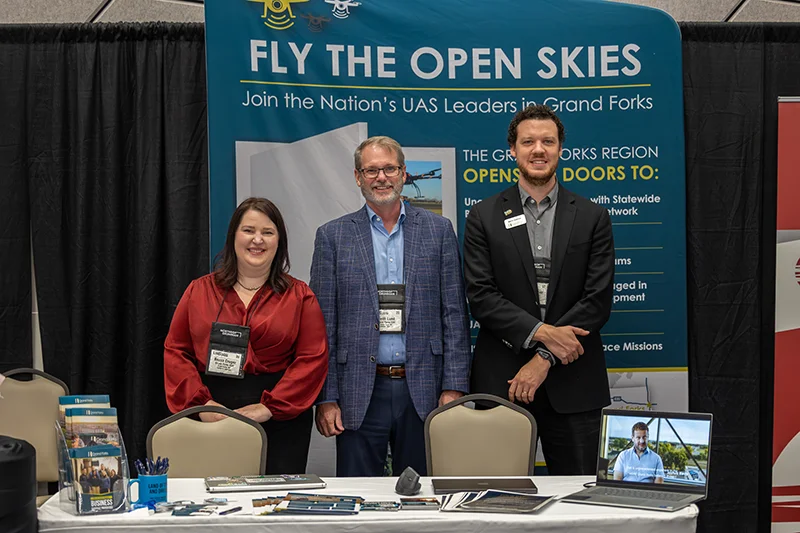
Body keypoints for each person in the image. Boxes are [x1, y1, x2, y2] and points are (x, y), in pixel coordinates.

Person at [464, 104, 615, 475]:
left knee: (579, 501)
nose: (538, 150)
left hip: (575, 384)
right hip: (503, 382)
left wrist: (542, 358)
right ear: (512, 151)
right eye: (528, 141)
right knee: (496, 499)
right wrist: (544, 334)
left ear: (561, 149)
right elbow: (481, 296)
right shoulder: (482, 216)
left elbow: (596, 301)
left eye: (548, 141)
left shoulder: (593, 217)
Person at [310, 136, 471, 477]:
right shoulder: (333, 236)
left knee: (421, 500)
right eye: (371, 170)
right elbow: (322, 326)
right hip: (358, 391)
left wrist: (453, 387)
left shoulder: (439, 231)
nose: (381, 177)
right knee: (358, 496)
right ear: (358, 177)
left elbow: (454, 314)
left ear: (403, 173)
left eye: (389, 169)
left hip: (424, 390)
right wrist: (326, 397)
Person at [163, 197, 328, 474]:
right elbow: (175, 352)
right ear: (233, 236)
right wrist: (201, 404)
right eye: (249, 230)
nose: (257, 240)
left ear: (279, 242)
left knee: (273, 508)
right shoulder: (198, 291)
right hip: (210, 412)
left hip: (280, 419)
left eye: (267, 232)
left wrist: (270, 408)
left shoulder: (300, 296)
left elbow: (312, 359)